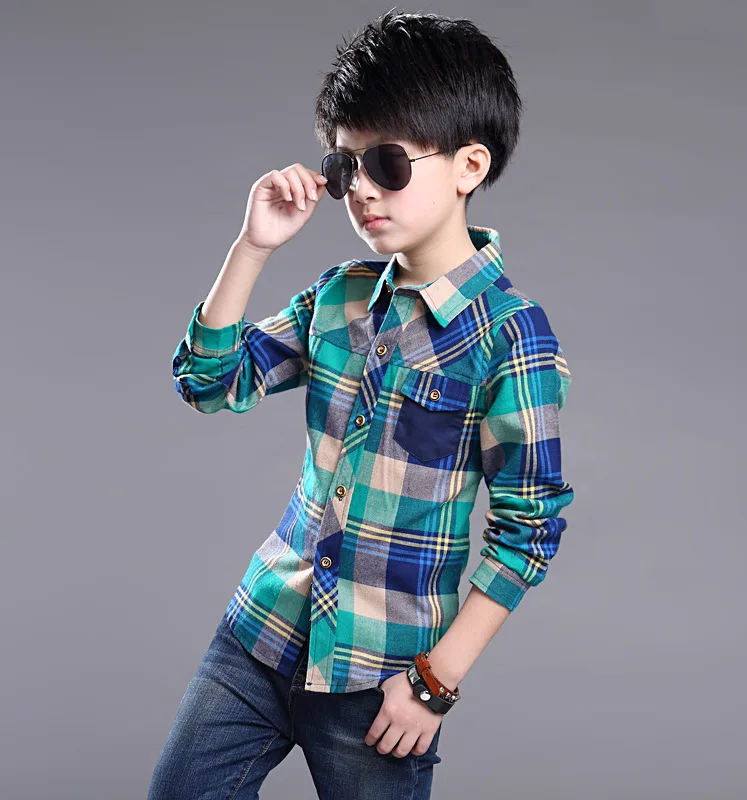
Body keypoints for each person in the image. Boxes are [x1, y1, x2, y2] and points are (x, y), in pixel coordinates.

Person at [148, 8, 575, 799]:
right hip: (260, 635)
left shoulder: (511, 335)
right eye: (345, 167)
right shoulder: (338, 296)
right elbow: (209, 383)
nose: (363, 189)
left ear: (468, 165)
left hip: (379, 683)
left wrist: (436, 681)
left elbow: (530, 530)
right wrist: (253, 248)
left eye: (387, 162)